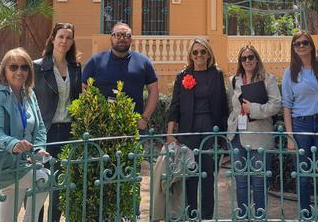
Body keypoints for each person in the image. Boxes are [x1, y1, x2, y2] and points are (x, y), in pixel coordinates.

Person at [166, 37, 229, 220]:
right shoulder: (183, 75)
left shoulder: (216, 74)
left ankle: (207, 217)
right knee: (190, 175)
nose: (199, 55)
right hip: (189, 130)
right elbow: (174, 106)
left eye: (203, 51)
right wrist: (170, 133)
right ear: (190, 55)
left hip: (211, 129)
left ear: (208, 53)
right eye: (195, 52)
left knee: (208, 176)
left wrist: (223, 137)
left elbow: (223, 106)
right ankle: (192, 215)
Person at [0, 47, 50, 222]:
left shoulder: (29, 94)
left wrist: (38, 149)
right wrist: (13, 144)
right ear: (4, 70)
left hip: (24, 164)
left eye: (24, 67)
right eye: (13, 67)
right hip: (4, 164)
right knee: (44, 178)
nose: (19, 71)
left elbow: (40, 128)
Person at [281, 31, 318, 218]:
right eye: (297, 44)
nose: (301, 46)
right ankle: (305, 215)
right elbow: (287, 106)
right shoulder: (290, 73)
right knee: (303, 174)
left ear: (312, 45)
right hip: (301, 125)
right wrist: (290, 137)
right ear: (293, 49)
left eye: (305, 42)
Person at [226, 45, 282, 219]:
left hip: (260, 136)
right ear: (240, 62)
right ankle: (243, 216)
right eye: (244, 58)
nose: (247, 61)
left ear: (257, 59)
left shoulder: (268, 79)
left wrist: (254, 109)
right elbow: (231, 106)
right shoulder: (234, 80)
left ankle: (259, 217)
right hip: (237, 136)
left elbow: (276, 105)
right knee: (241, 182)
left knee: (259, 182)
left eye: (251, 57)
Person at [33, 22, 82, 222]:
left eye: (68, 38)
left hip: (68, 131)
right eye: (61, 36)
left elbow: (77, 98)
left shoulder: (75, 67)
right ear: (53, 38)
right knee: (40, 182)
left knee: (60, 184)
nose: (64, 41)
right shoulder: (37, 66)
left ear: (72, 42)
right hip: (45, 131)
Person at [82, 22, 159, 132]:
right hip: (101, 128)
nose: (122, 38)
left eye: (126, 35)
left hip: (133, 127)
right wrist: (91, 116)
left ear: (131, 39)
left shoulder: (143, 62)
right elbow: (83, 89)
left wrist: (145, 119)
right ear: (111, 38)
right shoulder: (95, 61)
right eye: (118, 35)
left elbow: (154, 91)